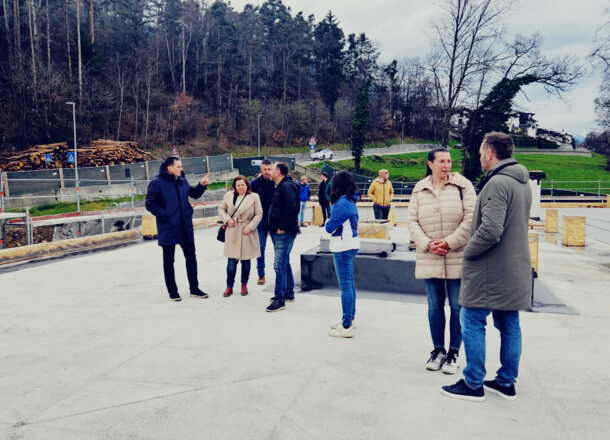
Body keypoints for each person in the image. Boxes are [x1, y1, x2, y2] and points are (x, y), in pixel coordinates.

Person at [441, 132, 532, 402]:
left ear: (490, 153)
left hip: (490, 270)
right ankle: (506, 382)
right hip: (515, 268)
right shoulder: (522, 182)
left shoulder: (497, 184)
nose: (480, 158)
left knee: (471, 320)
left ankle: (473, 383)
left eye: (481, 153)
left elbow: (491, 230)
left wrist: (468, 251)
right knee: (509, 323)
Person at [407, 148, 476, 374]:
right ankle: (438, 350)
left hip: (456, 255)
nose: (446, 165)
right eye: (441, 161)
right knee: (434, 306)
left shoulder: (462, 186)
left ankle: (454, 352)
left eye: (449, 161)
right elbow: (412, 222)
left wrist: (449, 242)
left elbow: (471, 218)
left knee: (458, 306)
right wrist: (428, 244)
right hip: (430, 256)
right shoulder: (419, 189)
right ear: (430, 164)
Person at [145, 156, 210, 302]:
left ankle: (194, 288)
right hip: (168, 227)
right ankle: (173, 292)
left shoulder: (182, 180)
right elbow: (150, 203)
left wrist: (202, 185)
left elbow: (193, 194)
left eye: (181, 166)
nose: (181, 168)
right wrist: (164, 215)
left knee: (191, 258)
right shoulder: (157, 183)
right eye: (179, 166)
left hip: (185, 225)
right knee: (169, 260)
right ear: (169, 168)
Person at [325, 171, 360, 338]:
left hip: (343, 246)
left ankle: (346, 326)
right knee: (350, 284)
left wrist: (327, 221)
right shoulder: (350, 199)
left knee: (345, 286)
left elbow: (329, 227)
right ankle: (349, 319)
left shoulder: (343, 203)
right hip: (350, 244)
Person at [218, 176, 263, 297]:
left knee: (246, 261)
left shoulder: (254, 197)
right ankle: (229, 286)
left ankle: (244, 284)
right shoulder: (228, 196)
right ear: (234, 186)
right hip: (233, 231)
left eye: (242, 184)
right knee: (231, 262)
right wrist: (227, 220)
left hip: (247, 231)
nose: (240, 187)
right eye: (238, 185)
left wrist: (250, 227)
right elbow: (221, 209)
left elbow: (259, 214)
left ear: (246, 185)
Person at [266, 162, 300, 312]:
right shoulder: (282, 185)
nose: (270, 172)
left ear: (278, 171)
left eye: (272, 169)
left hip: (284, 232)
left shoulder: (286, 186)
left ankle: (279, 299)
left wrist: (281, 227)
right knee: (284, 262)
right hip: (280, 231)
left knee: (278, 264)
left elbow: (292, 207)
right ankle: (288, 293)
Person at [250, 159, 275, 285]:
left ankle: (280, 272)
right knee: (260, 247)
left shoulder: (276, 182)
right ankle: (261, 273)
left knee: (279, 248)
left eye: (269, 169)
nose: (267, 172)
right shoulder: (254, 183)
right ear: (261, 169)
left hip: (274, 219)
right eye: (265, 169)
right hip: (260, 219)